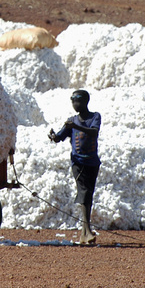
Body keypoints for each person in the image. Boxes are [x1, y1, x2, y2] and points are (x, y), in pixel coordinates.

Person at [48, 89, 101, 245]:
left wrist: (75, 127)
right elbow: (59, 137)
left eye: (78, 101)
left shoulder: (94, 117)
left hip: (92, 162)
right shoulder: (71, 121)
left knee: (88, 195)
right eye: (73, 101)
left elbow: (93, 132)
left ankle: (84, 234)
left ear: (86, 102)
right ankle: (88, 231)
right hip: (78, 163)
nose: (75, 104)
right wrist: (53, 136)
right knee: (84, 192)